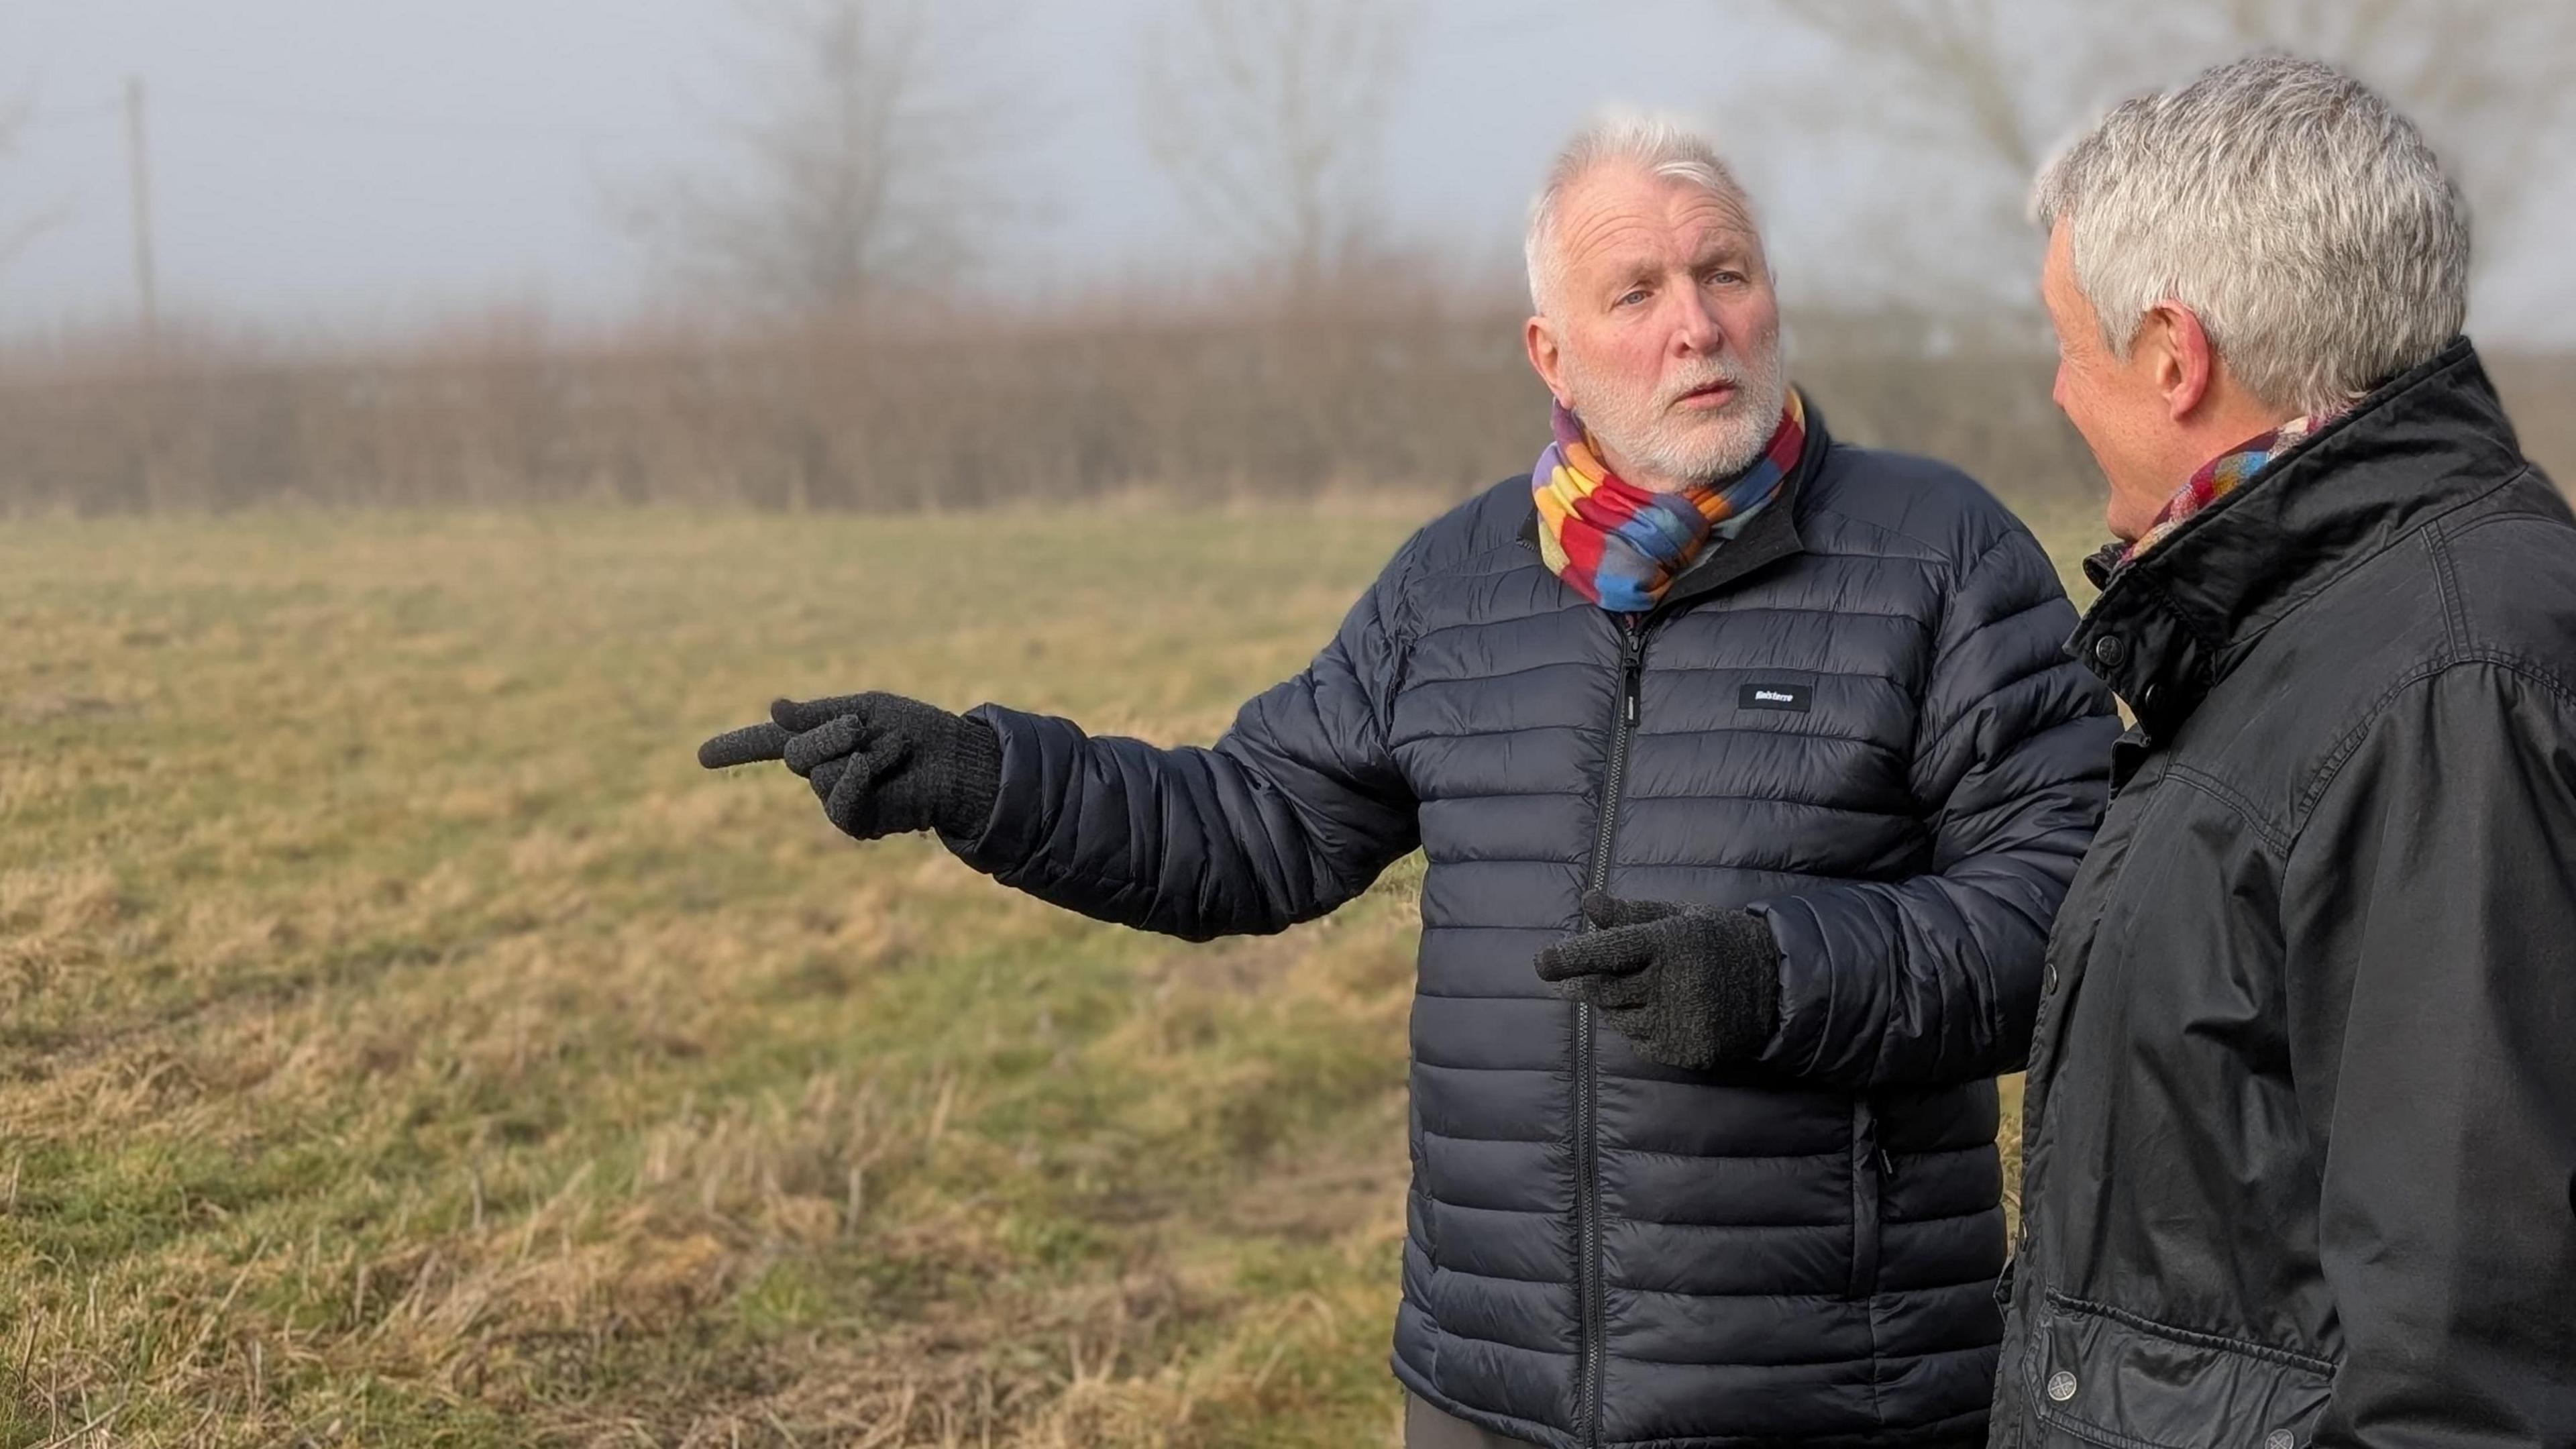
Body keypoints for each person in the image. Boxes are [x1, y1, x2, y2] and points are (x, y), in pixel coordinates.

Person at [704, 116, 2115, 1448]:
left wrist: (1778, 977)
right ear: (1551, 354)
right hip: (1483, 1379)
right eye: (1637, 292)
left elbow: (2067, 917)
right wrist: (981, 774)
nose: (1697, 322)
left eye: (1725, 273)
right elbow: (1251, 826)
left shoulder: (1941, 555)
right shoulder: (1455, 586)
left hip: (1835, 1392)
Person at [1994, 55, 2576, 1448]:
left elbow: (2469, 1361)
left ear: (2174, 358)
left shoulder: (2447, 687)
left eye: (2072, 344)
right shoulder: (2319, 625)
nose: (2062, 394)